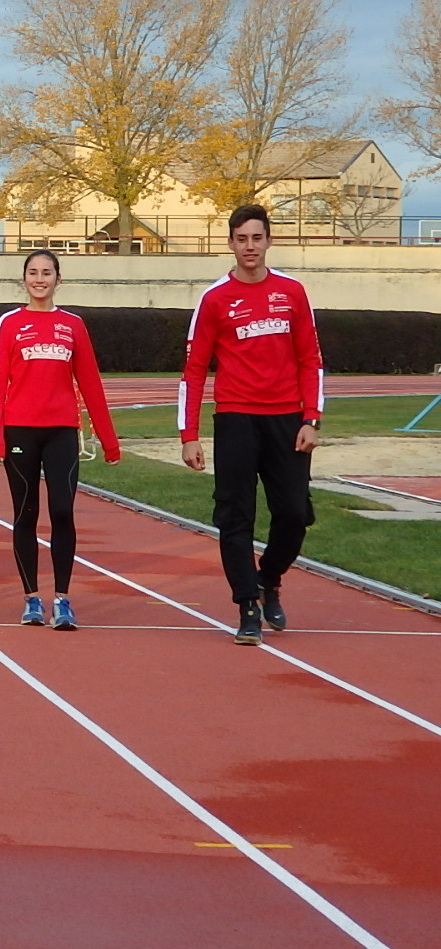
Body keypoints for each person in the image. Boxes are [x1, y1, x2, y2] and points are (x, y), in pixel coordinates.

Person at [179, 204, 324, 645]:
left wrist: (312, 419)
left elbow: (310, 359)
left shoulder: (293, 292)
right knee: (236, 517)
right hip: (236, 418)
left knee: (294, 514)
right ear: (230, 242)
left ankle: (269, 578)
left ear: (268, 241)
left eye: (256, 239)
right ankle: (246, 606)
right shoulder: (215, 299)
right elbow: (194, 370)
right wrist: (189, 435)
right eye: (241, 239)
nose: (250, 247)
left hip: (287, 420)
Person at [0, 251, 120, 630]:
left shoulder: (72, 325)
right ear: (24, 278)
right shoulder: (9, 323)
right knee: (25, 514)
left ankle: (63, 599)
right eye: (33, 272)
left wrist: (109, 440)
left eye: (47, 273)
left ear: (58, 279)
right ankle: (31, 599)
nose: (40, 279)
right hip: (20, 430)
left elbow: (90, 382)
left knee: (62, 511)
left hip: (62, 430)